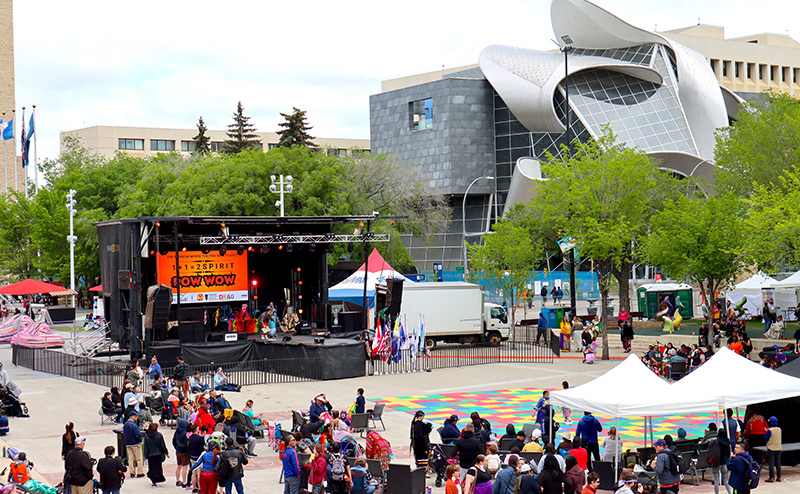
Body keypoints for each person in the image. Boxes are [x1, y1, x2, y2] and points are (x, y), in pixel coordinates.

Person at [706, 428, 732, 494]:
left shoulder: (716, 442)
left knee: (716, 482)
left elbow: (710, 451)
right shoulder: (727, 443)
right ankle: (729, 492)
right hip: (724, 463)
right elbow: (728, 454)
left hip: (716, 463)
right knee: (726, 481)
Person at [123, 414, 145, 478]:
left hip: (128, 444)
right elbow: (137, 434)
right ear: (132, 417)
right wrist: (139, 441)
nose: (137, 417)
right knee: (139, 458)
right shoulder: (134, 425)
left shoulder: (126, 424)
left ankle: (132, 472)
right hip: (135, 444)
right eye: (135, 416)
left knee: (130, 459)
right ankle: (140, 472)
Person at [185, 424, 205, 490]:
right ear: (196, 430)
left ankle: (194, 487)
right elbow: (203, 444)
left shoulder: (190, 437)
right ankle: (200, 488)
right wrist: (203, 436)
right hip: (198, 457)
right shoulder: (199, 438)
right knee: (199, 473)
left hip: (192, 456)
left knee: (193, 473)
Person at [172, 418, 190, 487]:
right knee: (185, 467)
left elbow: (173, 441)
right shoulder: (185, 433)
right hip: (184, 452)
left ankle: (177, 480)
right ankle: (184, 481)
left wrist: (176, 448)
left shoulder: (177, 432)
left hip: (178, 451)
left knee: (179, 466)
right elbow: (186, 443)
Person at [765, 416, 782, 482]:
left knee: (771, 463)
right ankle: (779, 476)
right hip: (779, 448)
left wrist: (766, 431)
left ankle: (771, 477)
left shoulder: (770, 430)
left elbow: (766, 438)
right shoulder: (779, 429)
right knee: (778, 463)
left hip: (771, 448)